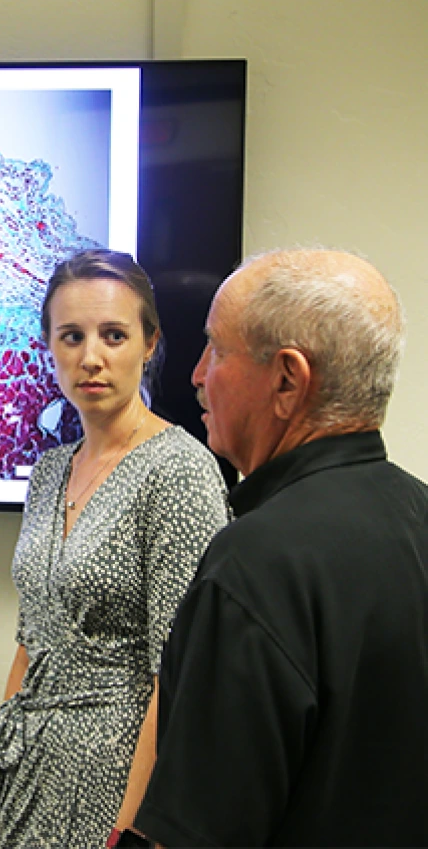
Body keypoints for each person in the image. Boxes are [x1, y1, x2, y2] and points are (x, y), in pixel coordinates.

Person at [122, 249, 426, 848]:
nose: (197, 374)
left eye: (216, 349)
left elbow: (198, 830)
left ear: (288, 379)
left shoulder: (255, 564)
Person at [0, 250, 230, 848]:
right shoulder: (49, 473)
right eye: (72, 336)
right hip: (30, 775)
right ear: (49, 348)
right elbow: (29, 645)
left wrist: (134, 831)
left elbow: (182, 674)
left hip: (117, 780)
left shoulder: (179, 469)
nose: (92, 357)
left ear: (150, 344)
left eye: (114, 335)